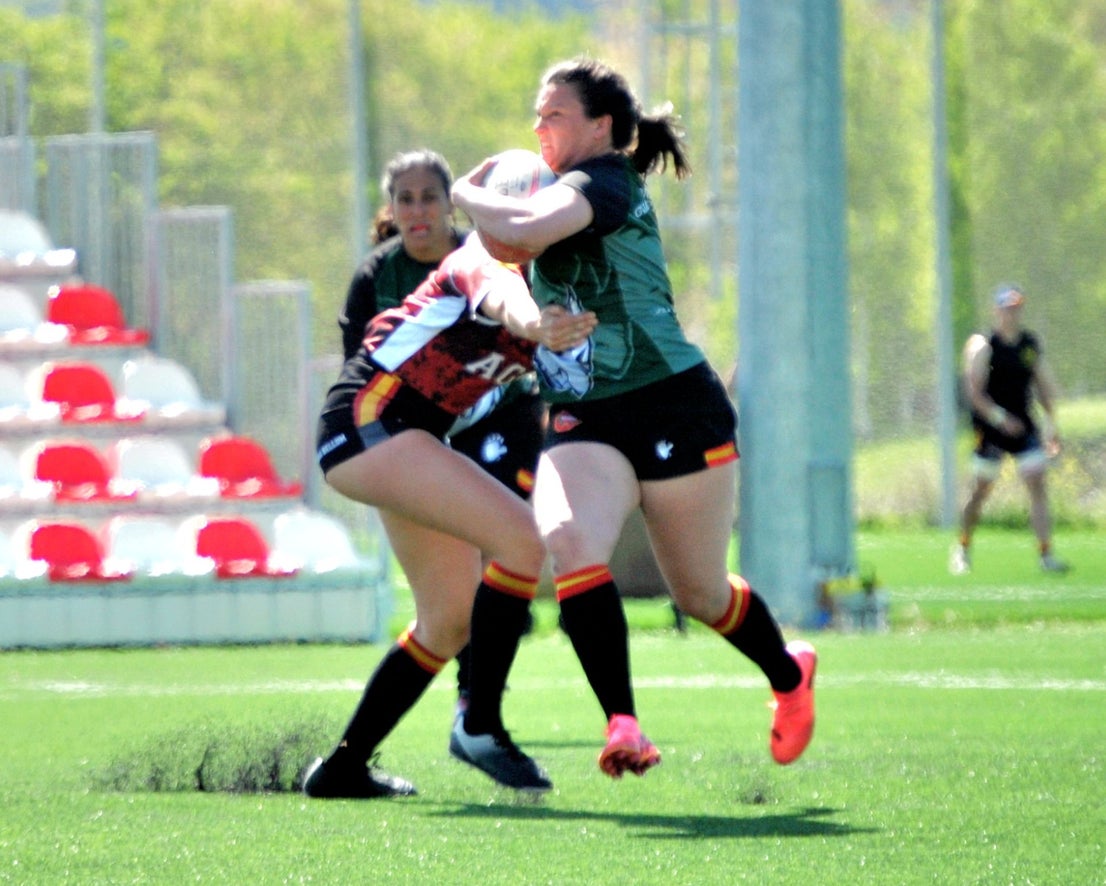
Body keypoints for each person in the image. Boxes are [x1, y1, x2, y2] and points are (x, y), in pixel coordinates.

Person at [450, 57, 817, 780]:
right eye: (538, 113)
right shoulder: (555, 184)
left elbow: (524, 228)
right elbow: (500, 266)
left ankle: (789, 672)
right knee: (566, 536)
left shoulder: (606, 181)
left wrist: (466, 191)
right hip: (586, 415)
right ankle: (624, 724)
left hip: (674, 404)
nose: (539, 127)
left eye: (554, 114)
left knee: (702, 593)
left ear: (602, 127)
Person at [304, 233, 597, 798]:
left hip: (399, 435)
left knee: (448, 619)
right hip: (369, 420)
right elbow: (502, 298)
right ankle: (479, 721)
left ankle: (343, 767)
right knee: (523, 543)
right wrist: (540, 327)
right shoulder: (483, 258)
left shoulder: (557, 293)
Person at [338, 149, 547, 727]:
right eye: (405, 199)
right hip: (403, 430)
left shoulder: (481, 256)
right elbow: (360, 370)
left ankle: (471, 706)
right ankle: (476, 719)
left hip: (495, 419)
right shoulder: (380, 274)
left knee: (494, 557)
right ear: (391, 208)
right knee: (467, 589)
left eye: (429, 196)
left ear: (451, 203)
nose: (418, 209)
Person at [950, 284, 1068, 575]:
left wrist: (1052, 426)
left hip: (1023, 426)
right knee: (980, 491)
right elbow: (974, 394)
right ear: (996, 310)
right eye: (1006, 308)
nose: (1011, 313)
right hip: (992, 428)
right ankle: (962, 548)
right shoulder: (984, 346)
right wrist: (1001, 419)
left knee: (1037, 483)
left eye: (1016, 308)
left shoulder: (1029, 346)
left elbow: (1043, 387)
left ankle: (1046, 555)